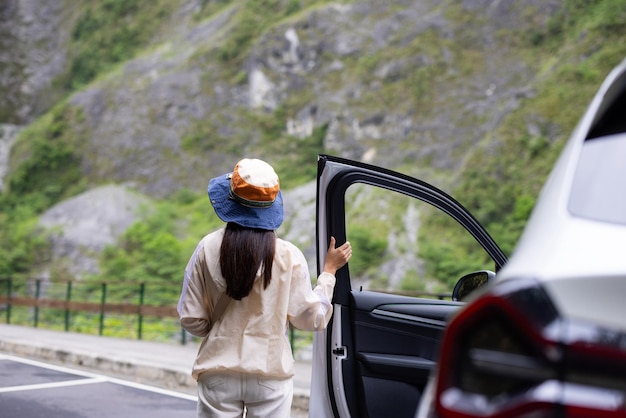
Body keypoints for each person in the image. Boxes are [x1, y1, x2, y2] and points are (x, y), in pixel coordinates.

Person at [177, 158, 352, 418]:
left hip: (218, 371)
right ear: (270, 207)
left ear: (230, 201)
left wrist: (220, 329)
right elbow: (312, 318)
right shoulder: (289, 256)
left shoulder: (207, 248)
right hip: (270, 375)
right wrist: (328, 274)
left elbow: (192, 319)